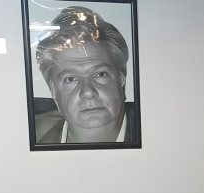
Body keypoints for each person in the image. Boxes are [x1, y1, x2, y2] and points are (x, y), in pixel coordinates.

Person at [33, 7, 136, 143]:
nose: (88, 92)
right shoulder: (25, 137)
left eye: (100, 74)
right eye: (70, 79)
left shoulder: (160, 129)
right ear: (53, 90)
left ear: (121, 77)